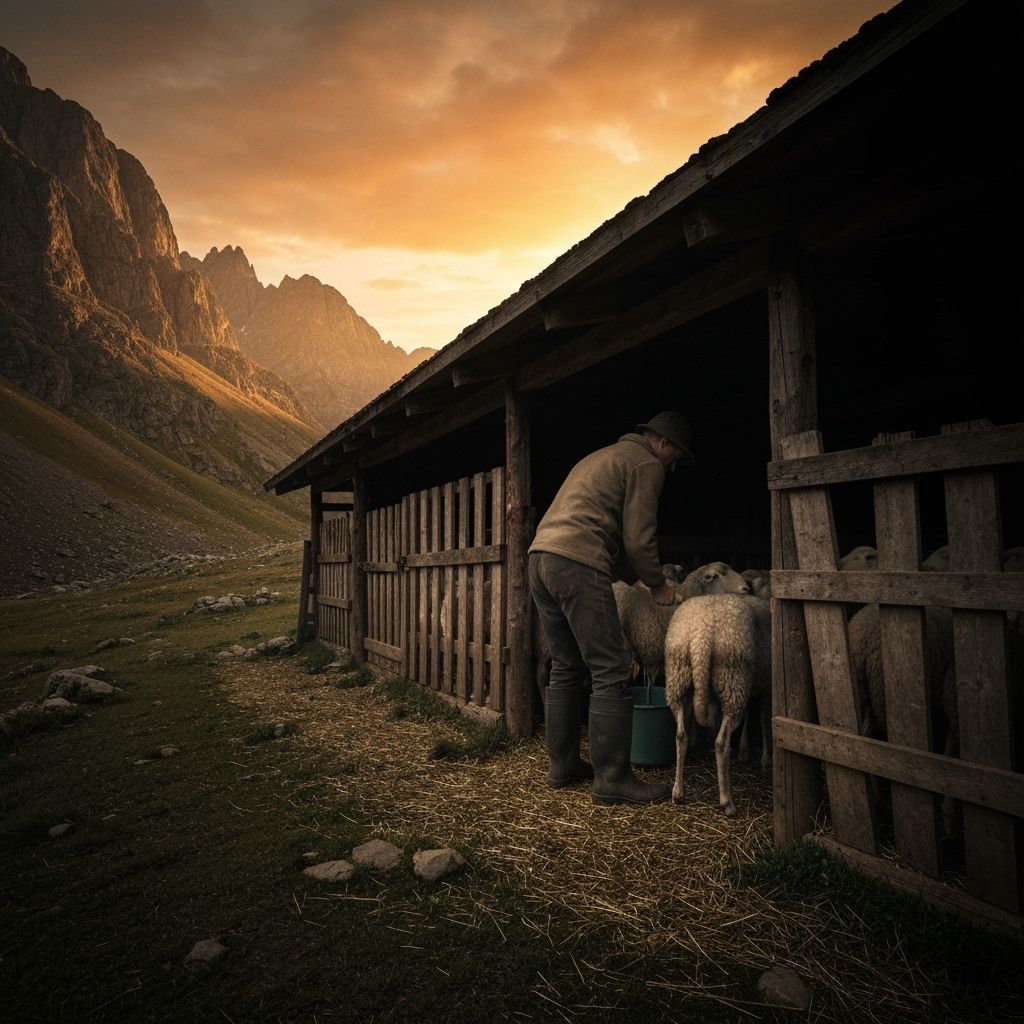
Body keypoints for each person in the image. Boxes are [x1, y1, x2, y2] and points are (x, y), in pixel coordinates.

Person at [528, 411, 694, 805]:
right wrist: (657, 585)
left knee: (567, 663)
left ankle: (563, 764)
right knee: (613, 666)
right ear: (664, 444)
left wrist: (633, 577)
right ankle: (613, 777)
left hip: (540, 558)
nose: (672, 468)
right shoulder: (645, 464)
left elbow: (614, 536)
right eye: (675, 458)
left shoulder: (602, 457)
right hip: (576, 561)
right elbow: (639, 539)